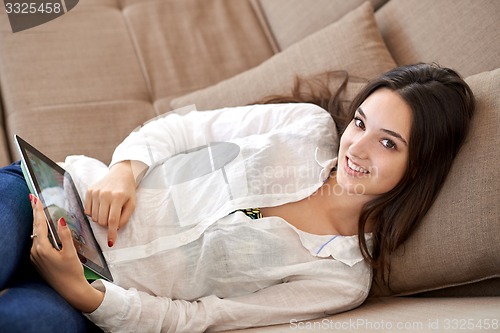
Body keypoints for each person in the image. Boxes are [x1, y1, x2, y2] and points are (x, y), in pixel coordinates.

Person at [0, 63, 475, 332]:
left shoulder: (341, 279)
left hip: (92, 297)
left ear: (421, 166)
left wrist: (88, 296)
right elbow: (181, 129)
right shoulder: (305, 125)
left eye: (388, 143)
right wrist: (125, 171)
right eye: (360, 122)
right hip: (58, 199)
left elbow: (207, 317)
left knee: (20, 324)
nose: (358, 147)